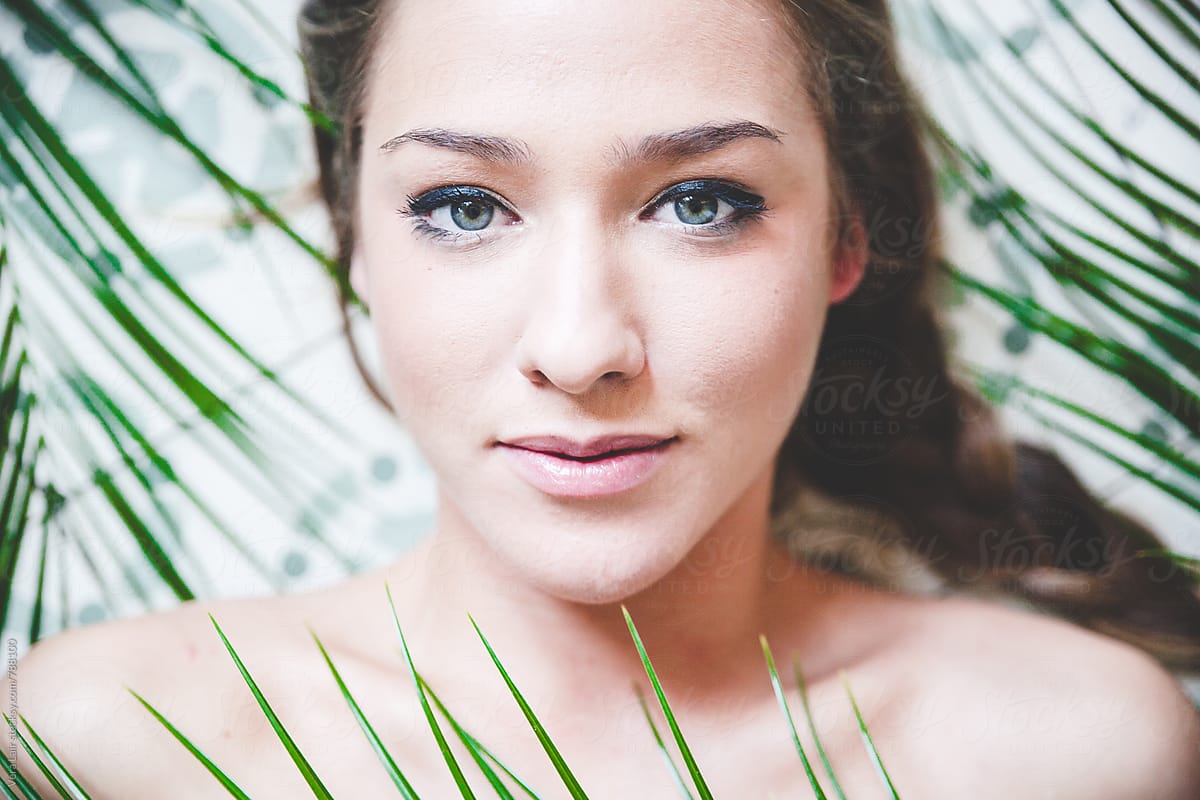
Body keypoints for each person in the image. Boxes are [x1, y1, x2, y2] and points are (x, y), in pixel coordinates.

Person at [7, 0, 1200, 797]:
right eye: (464, 205)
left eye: (701, 200)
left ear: (847, 235)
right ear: (353, 230)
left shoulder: (1069, 753)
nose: (581, 348)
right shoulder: (117, 740)